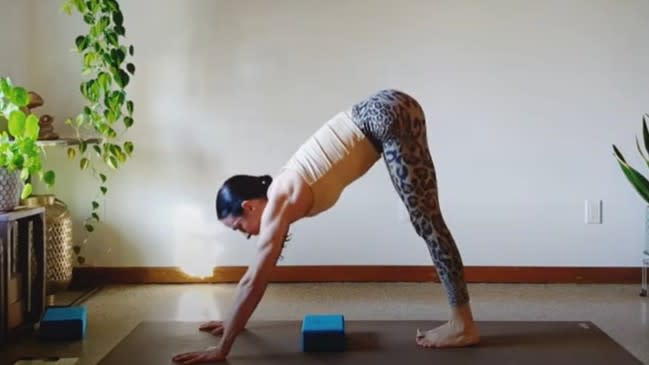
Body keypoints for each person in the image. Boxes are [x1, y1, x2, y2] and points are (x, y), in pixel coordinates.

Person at [172, 89, 480, 364]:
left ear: (248, 206)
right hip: (390, 109)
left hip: (386, 115)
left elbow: (254, 280)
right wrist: (232, 320)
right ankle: (461, 321)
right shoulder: (283, 190)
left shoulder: (279, 199)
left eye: (240, 227)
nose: (247, 235)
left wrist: (223, 349)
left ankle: (462, 325)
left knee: (428, 223)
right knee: (428, 220)